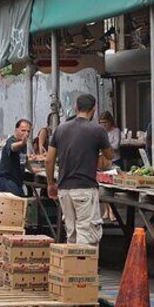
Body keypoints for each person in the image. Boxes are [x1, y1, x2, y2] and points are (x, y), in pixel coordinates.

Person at [45, 94, 113, 245]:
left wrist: (50, 184)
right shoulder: (97, 130)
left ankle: (72, 268)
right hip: (85, 189)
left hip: (64, 190)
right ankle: (83, 268)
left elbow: (49, 160)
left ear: (76, 107)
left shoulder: (60, 129)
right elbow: (109, 156)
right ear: (93, 109)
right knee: (86, 235)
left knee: (72, 233)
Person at [0, 119, 32, 197]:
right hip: (6, 181)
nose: (26, 133)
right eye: (23, 130)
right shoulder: (12, 141)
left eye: (28, 131)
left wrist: (31, 169)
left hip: (16, 182)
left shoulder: (23, 144)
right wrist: (22, 143)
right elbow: (12, 147)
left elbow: (24, 158)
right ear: (16, 130)